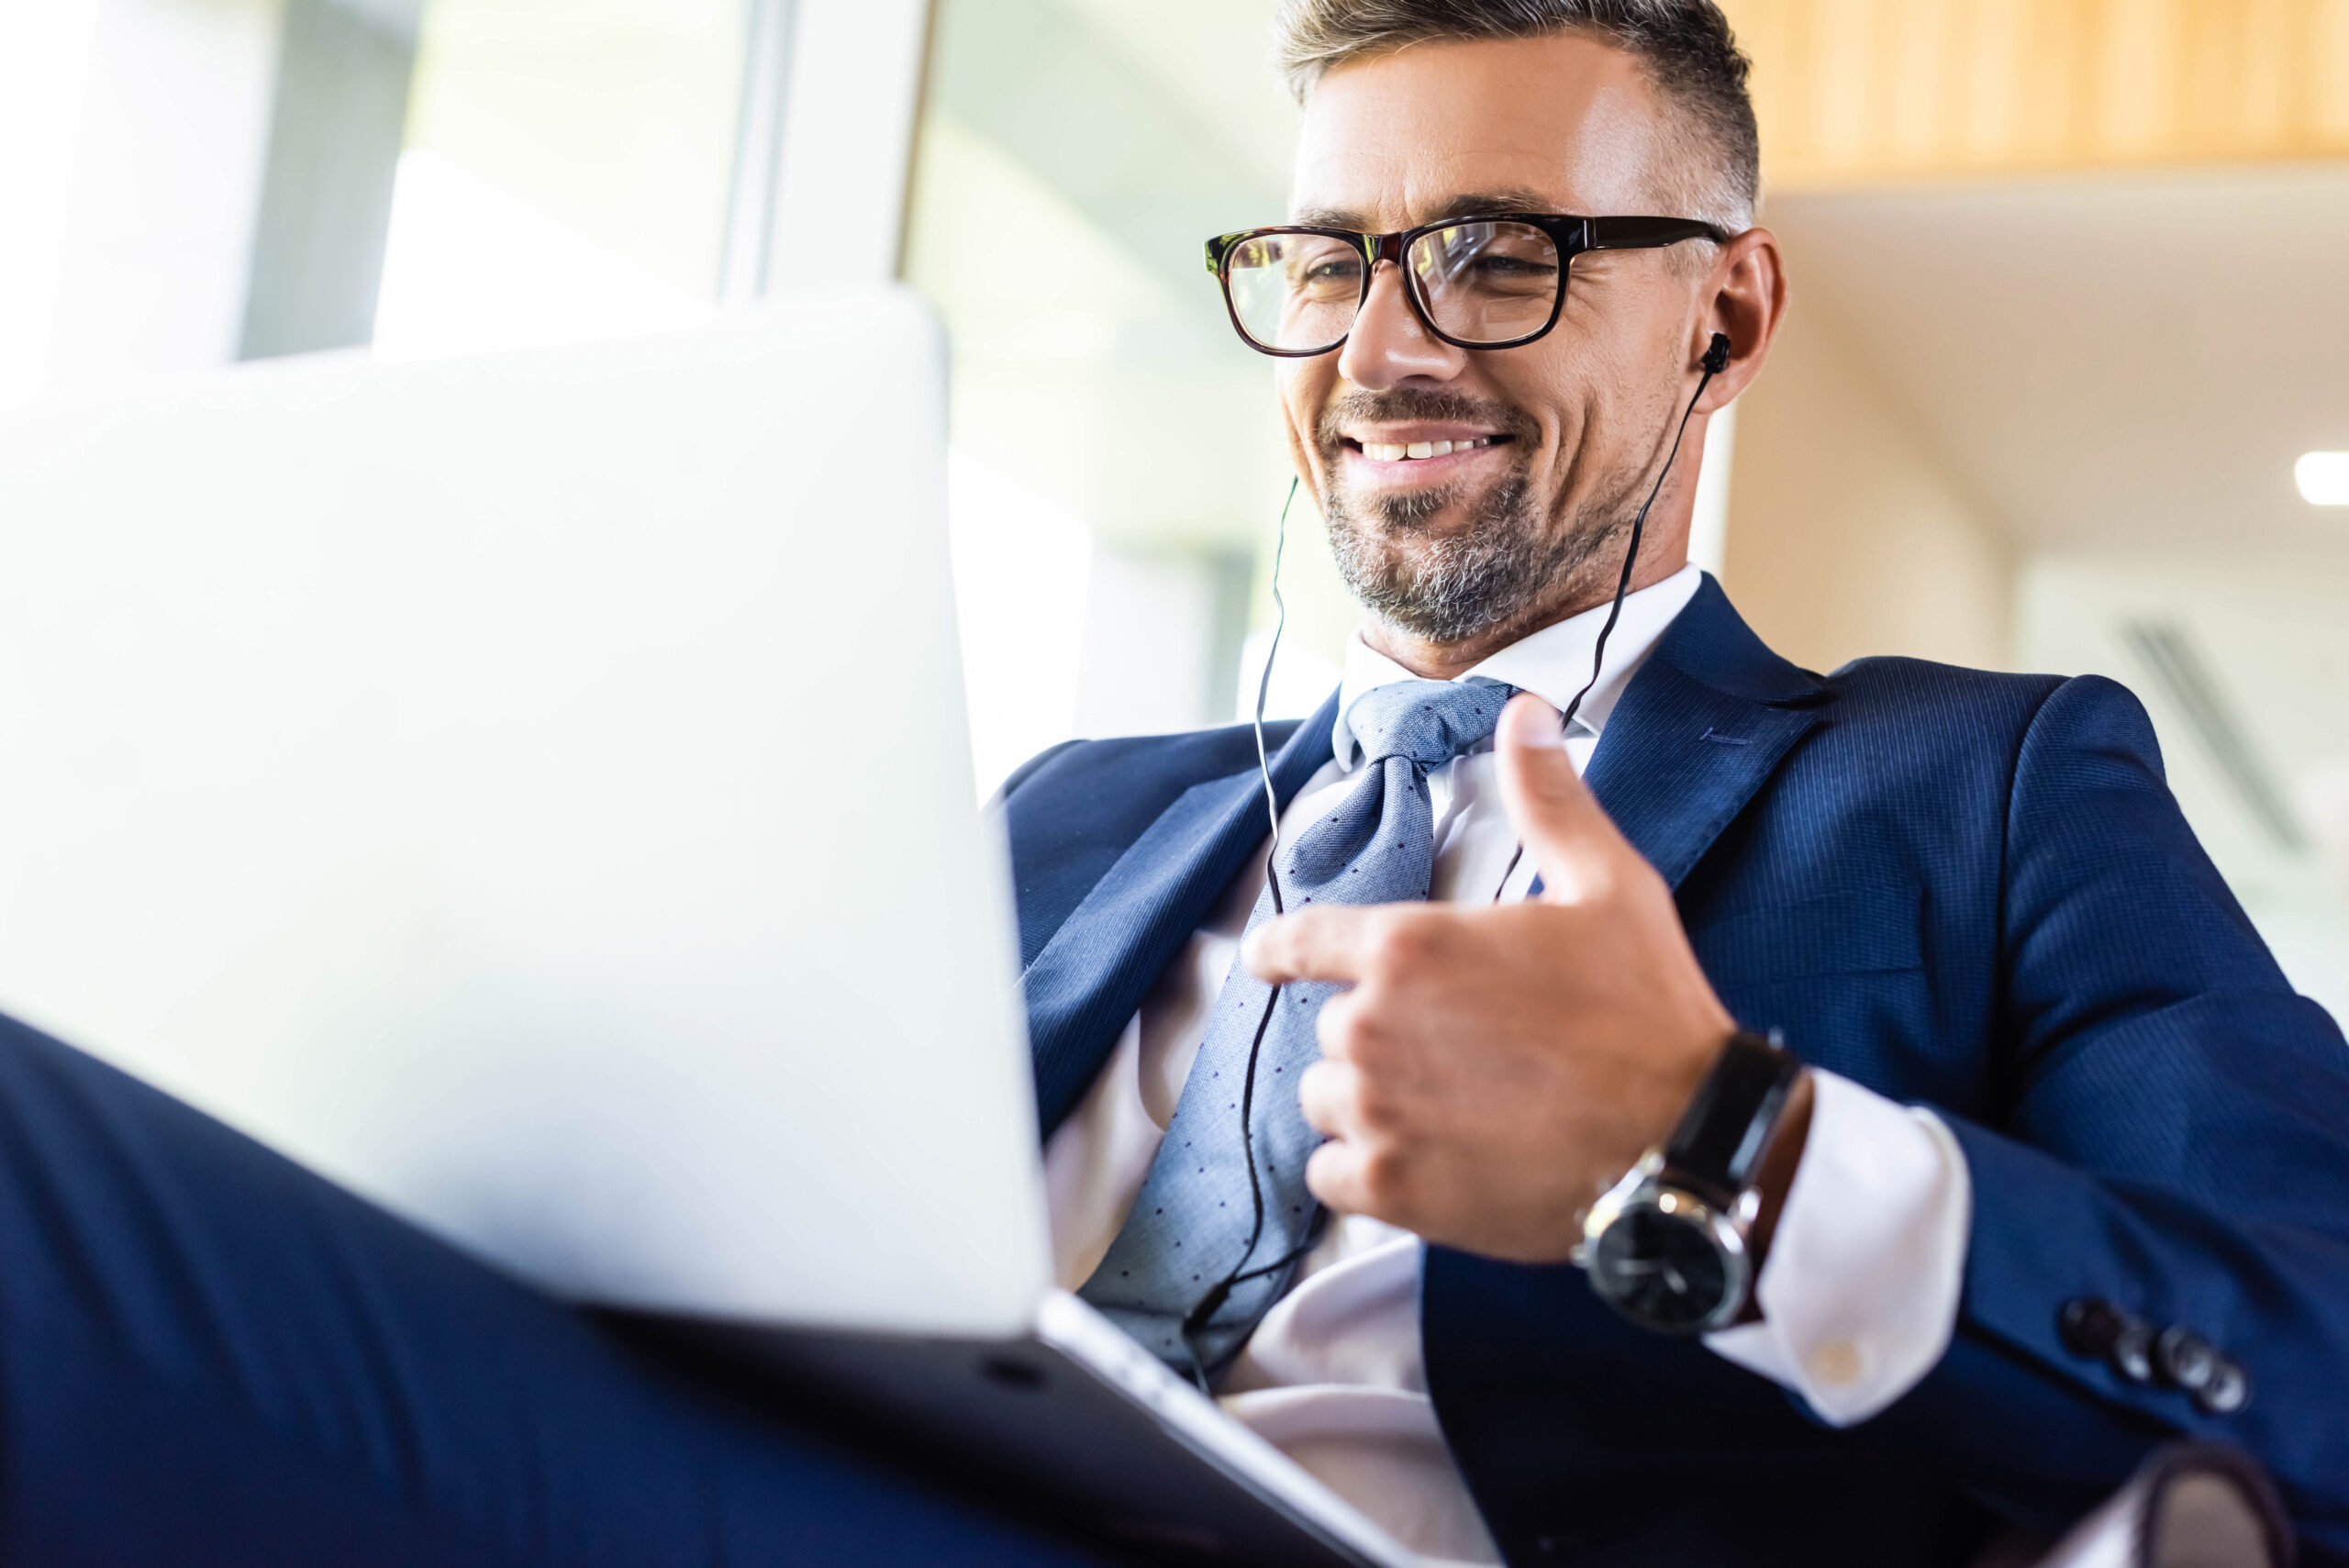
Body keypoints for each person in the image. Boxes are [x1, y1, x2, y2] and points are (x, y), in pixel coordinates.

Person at [0, 2, 2341, 1565]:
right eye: (1327, 258)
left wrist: (1721, 1149)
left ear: (1721, 313)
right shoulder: (1067, 808)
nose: (1385, 345)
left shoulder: (1988, 786)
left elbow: (2310, 1369)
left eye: (1498, 256)